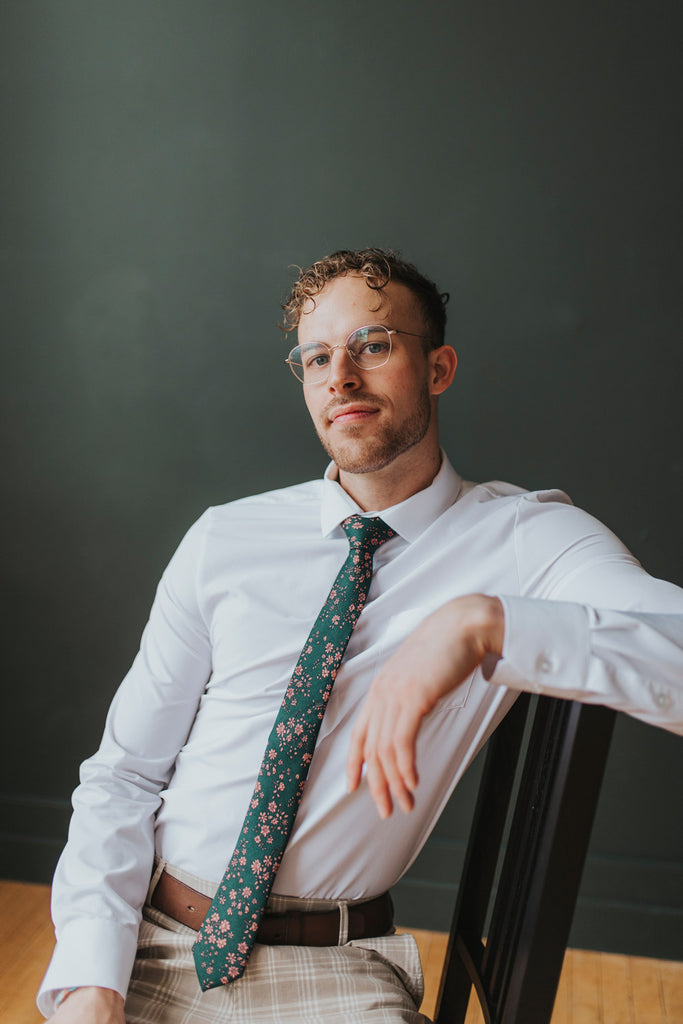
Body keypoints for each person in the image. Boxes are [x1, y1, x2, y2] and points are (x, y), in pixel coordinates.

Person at [38, 248, 683, 1023]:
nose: (340, 376)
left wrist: (485, 621)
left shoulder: (526, 543)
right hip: (149, 945)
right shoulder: (224, 539)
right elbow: (124, 777)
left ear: (438, 367)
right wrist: (89, 981)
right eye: (317, 357)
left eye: (371, 345)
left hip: (335, 974)